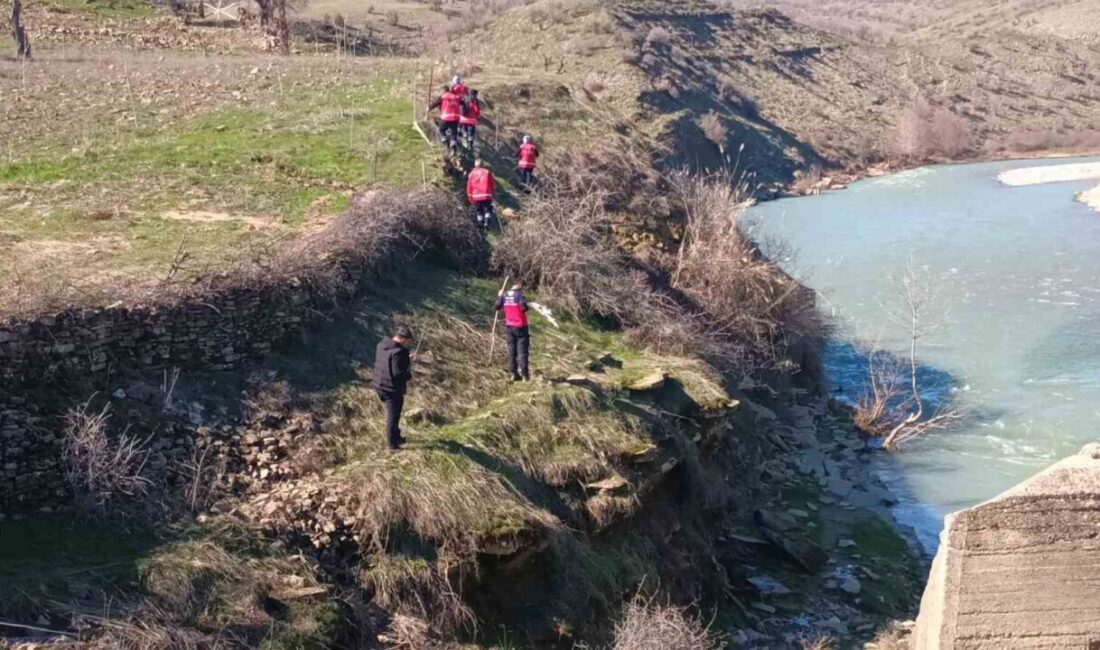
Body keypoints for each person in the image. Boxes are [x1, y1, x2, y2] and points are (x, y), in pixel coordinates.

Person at [372, 326, 418, 451]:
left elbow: (390, 360)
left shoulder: (382, 345)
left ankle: (397, 437)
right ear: (403, 339)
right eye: (407, 341)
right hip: (391, 389)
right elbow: (398, 373)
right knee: (393, 416)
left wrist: (406, 358)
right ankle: (392, 445)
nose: (407, 344)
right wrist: (408, 374)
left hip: (378, 385)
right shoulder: (399, 352)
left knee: (393, 413)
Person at [496, 281, 530, 381]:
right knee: (522, 351)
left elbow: (497, 306)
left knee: (512, 351)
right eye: (523, 287)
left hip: (509, 326)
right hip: (521, 327)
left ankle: (514, 374)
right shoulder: (519, 295)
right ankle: (525, 375)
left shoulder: (504, 295)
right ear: (519, 286)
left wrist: (499, 296)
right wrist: (525, 302)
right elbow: (523, 308)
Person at [427, 84, 462, 155]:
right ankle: (453, 149)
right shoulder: (456, 97)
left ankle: (445, 141)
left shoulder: (443, 96)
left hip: (446, 117)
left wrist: (429, 108)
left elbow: (435, 103)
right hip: (456, 118)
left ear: (443, 91)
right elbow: (462, 103)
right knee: (454, 133)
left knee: (441, 129)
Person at [466, 159, 496, 229]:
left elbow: (469, 187)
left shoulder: (471, 174)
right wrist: (492, 190)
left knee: (479, 211)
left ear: (475, 165)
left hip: (475, 196)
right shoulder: (487, 172)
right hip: (486, 195)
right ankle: (487, 223)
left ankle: (480, 222)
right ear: (483, 165)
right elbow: (492, 184)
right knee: (487, 209)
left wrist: (470, 197)